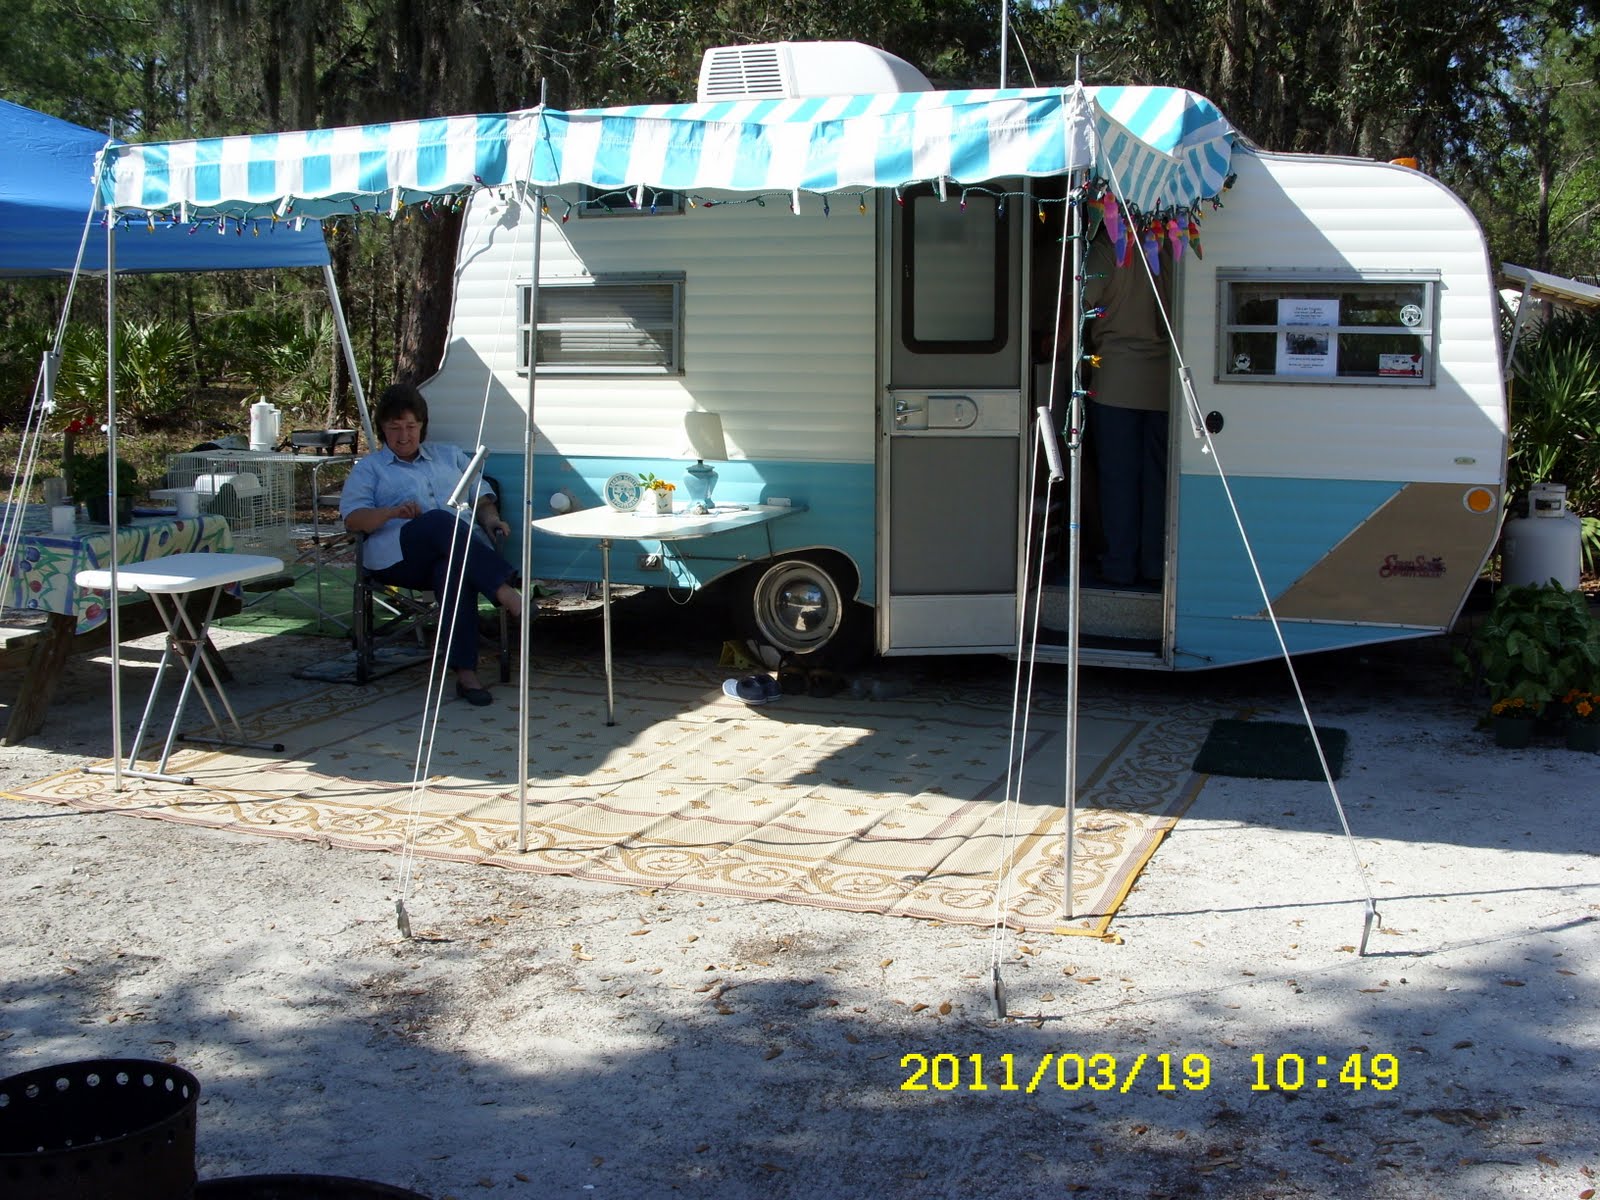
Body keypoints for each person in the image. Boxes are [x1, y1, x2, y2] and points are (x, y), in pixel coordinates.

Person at [341, 383, 522, 706]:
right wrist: (393, 512)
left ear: (422, 426)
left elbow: (479, 495)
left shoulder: (448, 455)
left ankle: (466, 675)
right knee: (439, 520)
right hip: (399, 557)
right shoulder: (370, 469)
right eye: (394, 428)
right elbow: (354, 520)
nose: (403, 436)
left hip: (454, 553)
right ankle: (505, 589)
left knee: (452, 569)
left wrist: (491, 520)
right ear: (383, 429)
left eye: (411, 426)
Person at [1080, 230, 1173, 589]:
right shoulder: (1173, 244)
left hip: (1115, 379)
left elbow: (1084, 300)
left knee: (1118, 479)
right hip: (1164, 382)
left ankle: (1120, 565)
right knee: (1157, 480)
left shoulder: (1107, 249)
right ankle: (1154, 563)